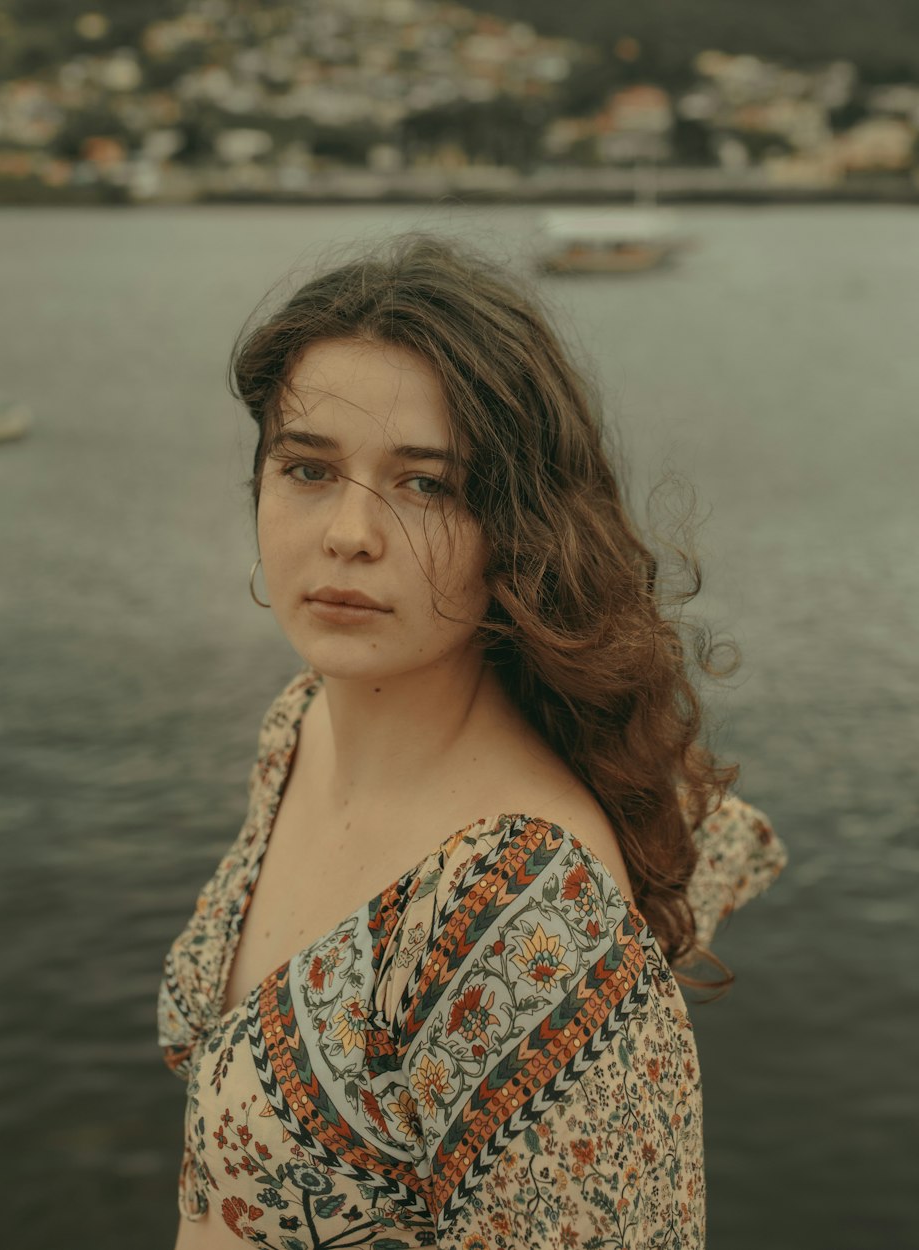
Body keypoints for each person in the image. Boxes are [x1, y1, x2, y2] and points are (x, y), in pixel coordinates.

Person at [158, 233, 787, 1249]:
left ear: (519, 525)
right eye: (308, 467)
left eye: (426, 485)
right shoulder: (301, 726)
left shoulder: (529, 914)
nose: (349, 532)